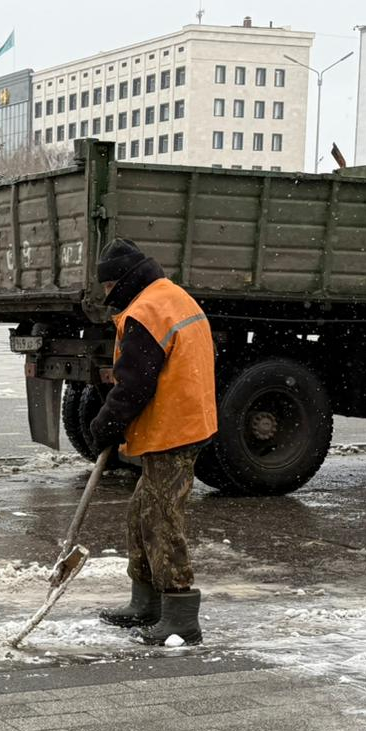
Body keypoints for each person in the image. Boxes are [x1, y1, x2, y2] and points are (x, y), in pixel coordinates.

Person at [88, 238, 217, 646]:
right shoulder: (167, 296)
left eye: (109, 286)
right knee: (142, 511)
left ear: (123, 279)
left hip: (174, 427)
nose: (107, 294)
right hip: (183, 419)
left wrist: (105, 425)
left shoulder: (146, 312)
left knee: (161, 517)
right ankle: (145, 602)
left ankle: (179, 615)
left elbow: (133, 385)